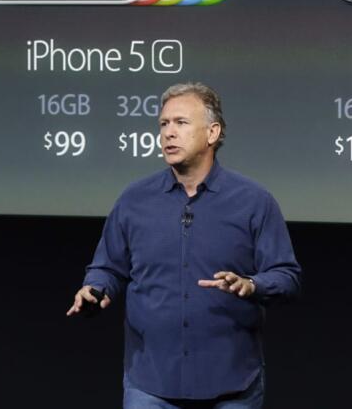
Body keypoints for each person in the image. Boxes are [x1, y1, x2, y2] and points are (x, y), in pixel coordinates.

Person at [66, 82, 302, 408]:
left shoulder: (253, 202)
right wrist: (95, 288)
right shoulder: (135, 200)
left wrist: (252, 284)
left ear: (212, 133)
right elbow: (107, 267)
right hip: (150, 385)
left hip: (232, 385)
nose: (168, 133)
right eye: (164, 124)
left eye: (181, 123)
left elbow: (287, 275)